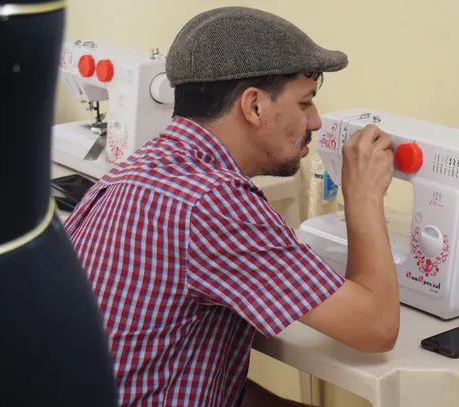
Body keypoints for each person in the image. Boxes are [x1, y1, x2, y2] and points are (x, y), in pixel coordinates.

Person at [63, 6, 399, 407]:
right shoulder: (213, 202)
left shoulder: (139, 168)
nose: (315, 123)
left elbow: (192, 377)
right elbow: (376, 327)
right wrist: (362, 196)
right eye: (305, 103)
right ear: (254, 105)